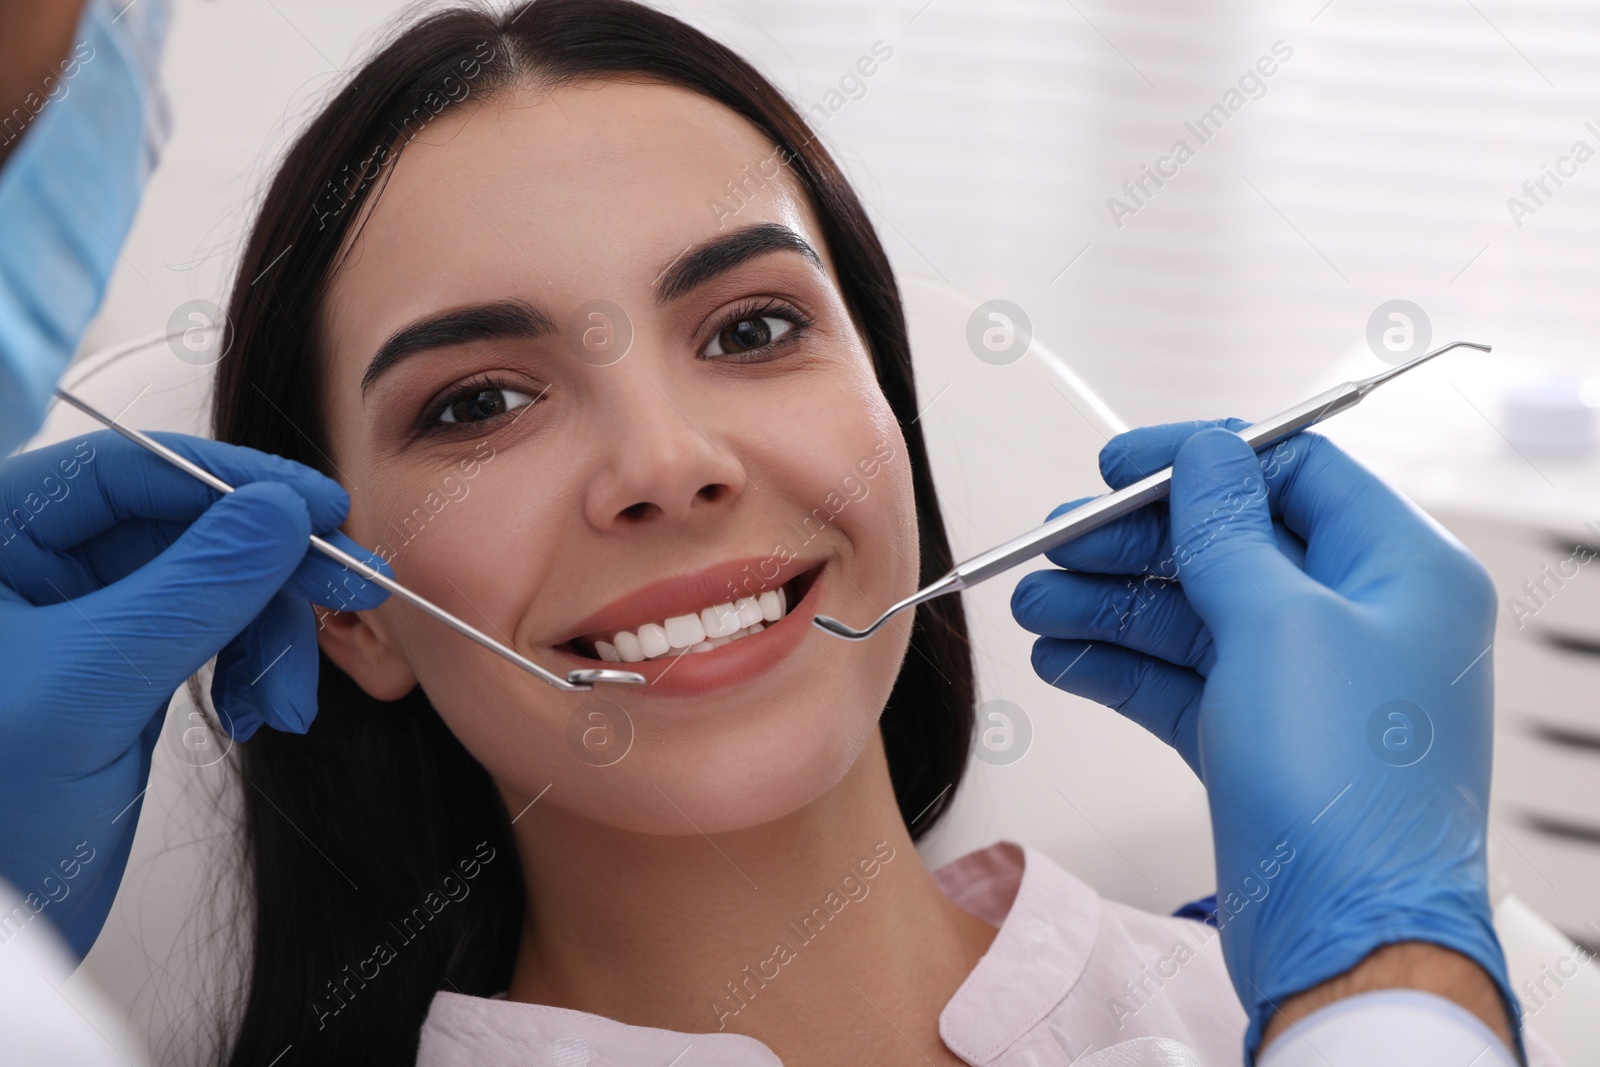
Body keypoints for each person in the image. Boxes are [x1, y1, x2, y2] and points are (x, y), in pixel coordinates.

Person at [0, 2, 1558, 1066]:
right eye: (479, 404)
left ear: (893, 426)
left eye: (750, 328)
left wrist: (1404, 959)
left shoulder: (1395, 993)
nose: (666, 466)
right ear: (347, 609)